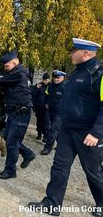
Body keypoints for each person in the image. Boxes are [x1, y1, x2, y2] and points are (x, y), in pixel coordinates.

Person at [28, 38, 103, 217]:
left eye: (73, 50)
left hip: (88, 134)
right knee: (59, 167)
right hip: (67, 130)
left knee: (93, 172)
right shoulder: (75, 72)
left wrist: (96, 133)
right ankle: (52, 203)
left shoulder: (99, 74)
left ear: (86, 53)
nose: (70, 53)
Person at [0, 50, 36, 179]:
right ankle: (27, 154)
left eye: (6, 66)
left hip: (20, 112)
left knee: (12, 142)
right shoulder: (13, 73)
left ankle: (10, 170)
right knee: (8, 138)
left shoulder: (18, 74)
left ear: (15, 62)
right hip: (12, 112)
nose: (5, 69)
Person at [41, 70, 66, 155]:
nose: (56, 79)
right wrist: (46, 103)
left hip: (60, 112)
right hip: (51, 111)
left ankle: (48, 147)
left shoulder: (65, 87)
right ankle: (61, 145)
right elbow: (46, 95)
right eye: (55, 77)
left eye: (58, 78)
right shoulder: (50, 86)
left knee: (53, 129)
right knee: (56, 130)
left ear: (63, 78)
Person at [31, 73, 50, 142]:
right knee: (39, 122)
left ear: (49, 79)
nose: (45, 81)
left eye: (46, 80)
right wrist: (36, 88)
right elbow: (33, 94)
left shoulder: (51, 86)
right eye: (44, 80)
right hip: (38, 107)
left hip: (46, 108)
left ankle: (45, 136)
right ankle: (39, 134)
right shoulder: (39, 85)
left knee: (46, 122)